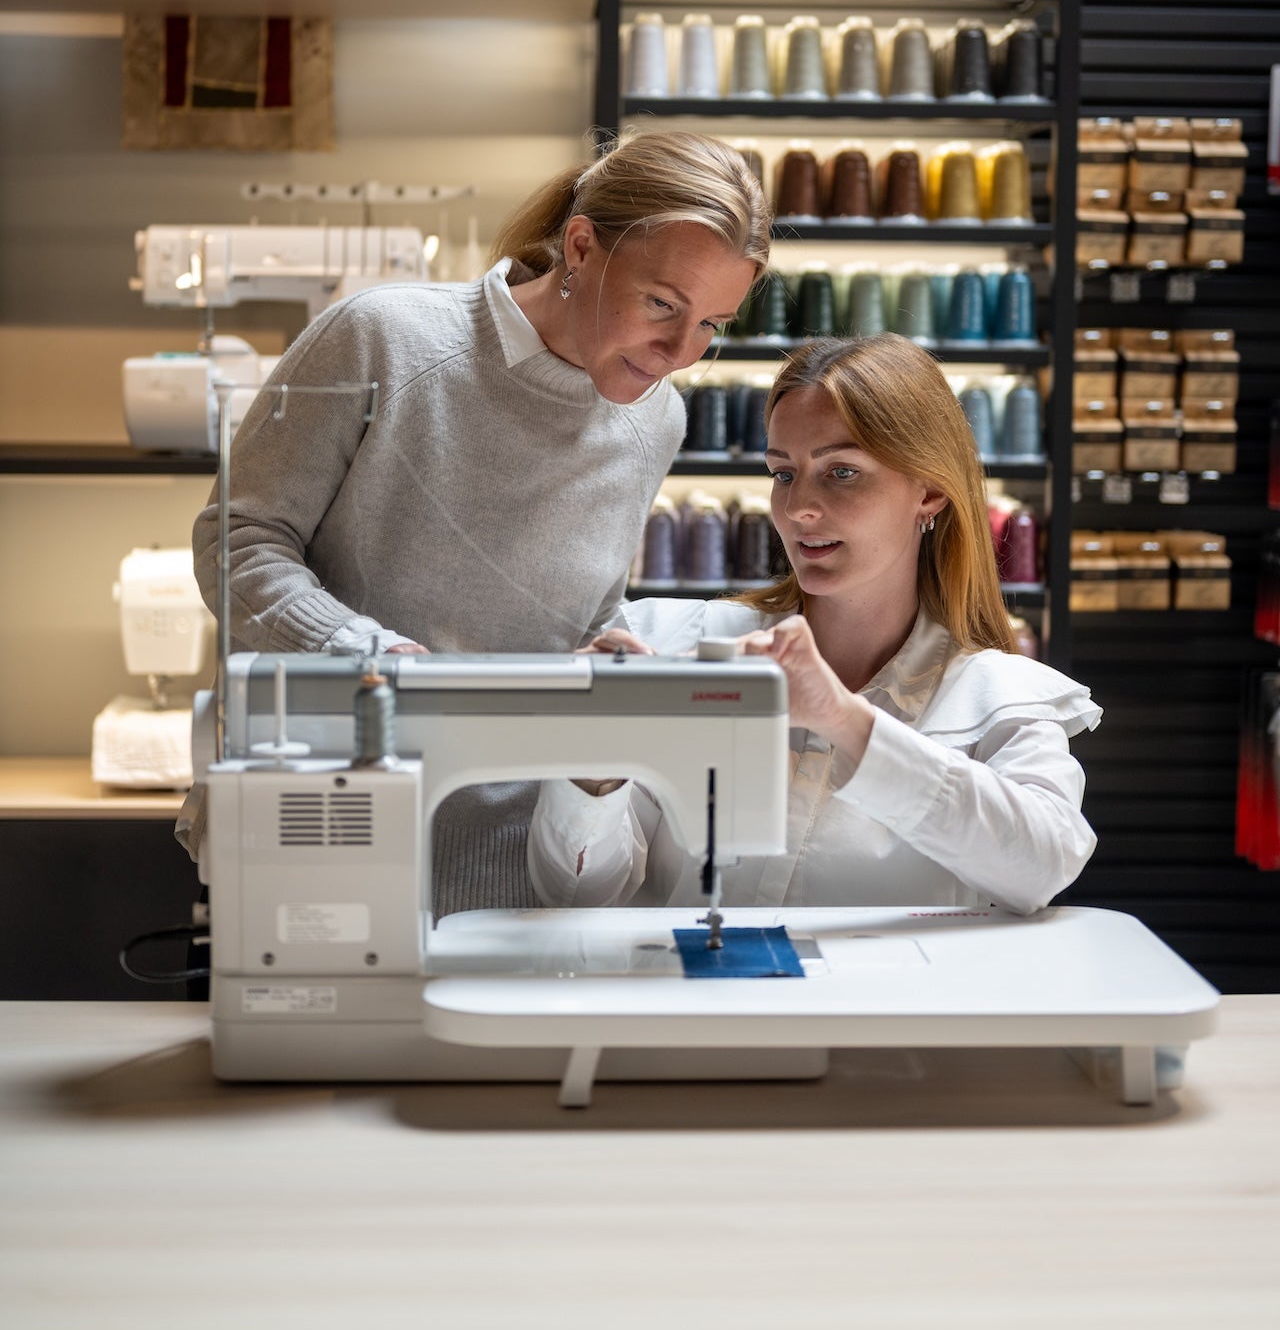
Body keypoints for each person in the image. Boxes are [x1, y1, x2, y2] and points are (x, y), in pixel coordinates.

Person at [191, 131, 769, 911]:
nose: (679, 351)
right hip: (327, 825)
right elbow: (237, 540)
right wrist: (370, 658)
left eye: (711, 325)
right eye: (663, 304)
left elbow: (582, 609)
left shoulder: (655, 420)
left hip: (517, 871)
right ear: (580, 247)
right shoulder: (384, 338)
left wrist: (608, 670)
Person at [529, 332, 1100, 916]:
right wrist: (593, 774)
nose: (797, 506)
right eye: (783, 473)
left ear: (929, 492)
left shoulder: (1001, 699)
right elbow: (574, 895)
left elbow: (1043, 867)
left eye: (841, 472)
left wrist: (844, 721)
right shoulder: (678, 642)